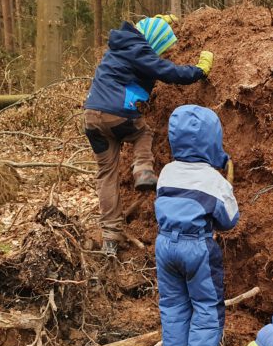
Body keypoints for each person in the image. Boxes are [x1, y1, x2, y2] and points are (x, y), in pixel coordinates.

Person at [84, 15, 214, 257]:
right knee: (143, 131)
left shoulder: (121, 46)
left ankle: (110, 236)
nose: (162, 55)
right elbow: (167, 71)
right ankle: (143, 170)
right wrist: (198, 71)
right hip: (117, 113)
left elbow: (147, 31)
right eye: (161, 49)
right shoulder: (140, 52)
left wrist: (160, 20)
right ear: (152, 44)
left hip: (92, 118)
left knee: (106, 175)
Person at [155, 104, 239, 346]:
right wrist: (228, 186)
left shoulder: (167, 171)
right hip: (197, 247)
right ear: (213, 141)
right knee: (206, 302)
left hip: (165, 245)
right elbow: (229, 221)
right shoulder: (214, 181)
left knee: (173, 301)